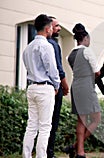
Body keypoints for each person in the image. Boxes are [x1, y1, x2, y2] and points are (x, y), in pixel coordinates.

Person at [22, 14, 61, 158]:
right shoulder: (47, 45)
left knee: (31, 125)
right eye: (51, 26)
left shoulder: (28, 47)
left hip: (31, 87)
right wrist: (56, 85)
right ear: (47, 28)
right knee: (45, 127)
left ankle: (26, 155)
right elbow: (52, 69)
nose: (52, 29)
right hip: (45, 88)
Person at [67, 23, 101, 158]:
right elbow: (97, 72)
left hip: (75, 86)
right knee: (97, 118)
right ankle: (76, 148)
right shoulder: (87, 51)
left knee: (81, 120)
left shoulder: (70, 55)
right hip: (87, 86)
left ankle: (79, 151)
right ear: (85, 38)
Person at [46, 16, 69, 158]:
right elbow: (59, 69)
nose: (59, 28)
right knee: (52, 122)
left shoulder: (36, 44)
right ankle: (50, 153)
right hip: (54, 88)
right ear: (49, 27)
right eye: (56, 26)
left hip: (40, 88)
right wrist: (65, 85)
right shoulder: (53, 44)